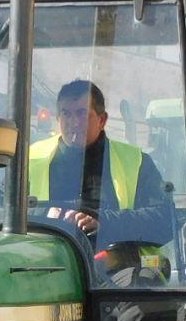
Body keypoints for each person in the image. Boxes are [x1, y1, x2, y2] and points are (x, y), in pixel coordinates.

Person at [28, 78, 175, 273]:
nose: (73, 123)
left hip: (120, 270)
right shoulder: (30, 159)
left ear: (102, 120)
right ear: (58, 118)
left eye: (82, 114)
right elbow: (2, 211)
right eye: (66, 114)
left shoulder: (136, 161)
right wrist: (47, 216)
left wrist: (103, 222)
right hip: (45, 268)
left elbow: (164, 220)